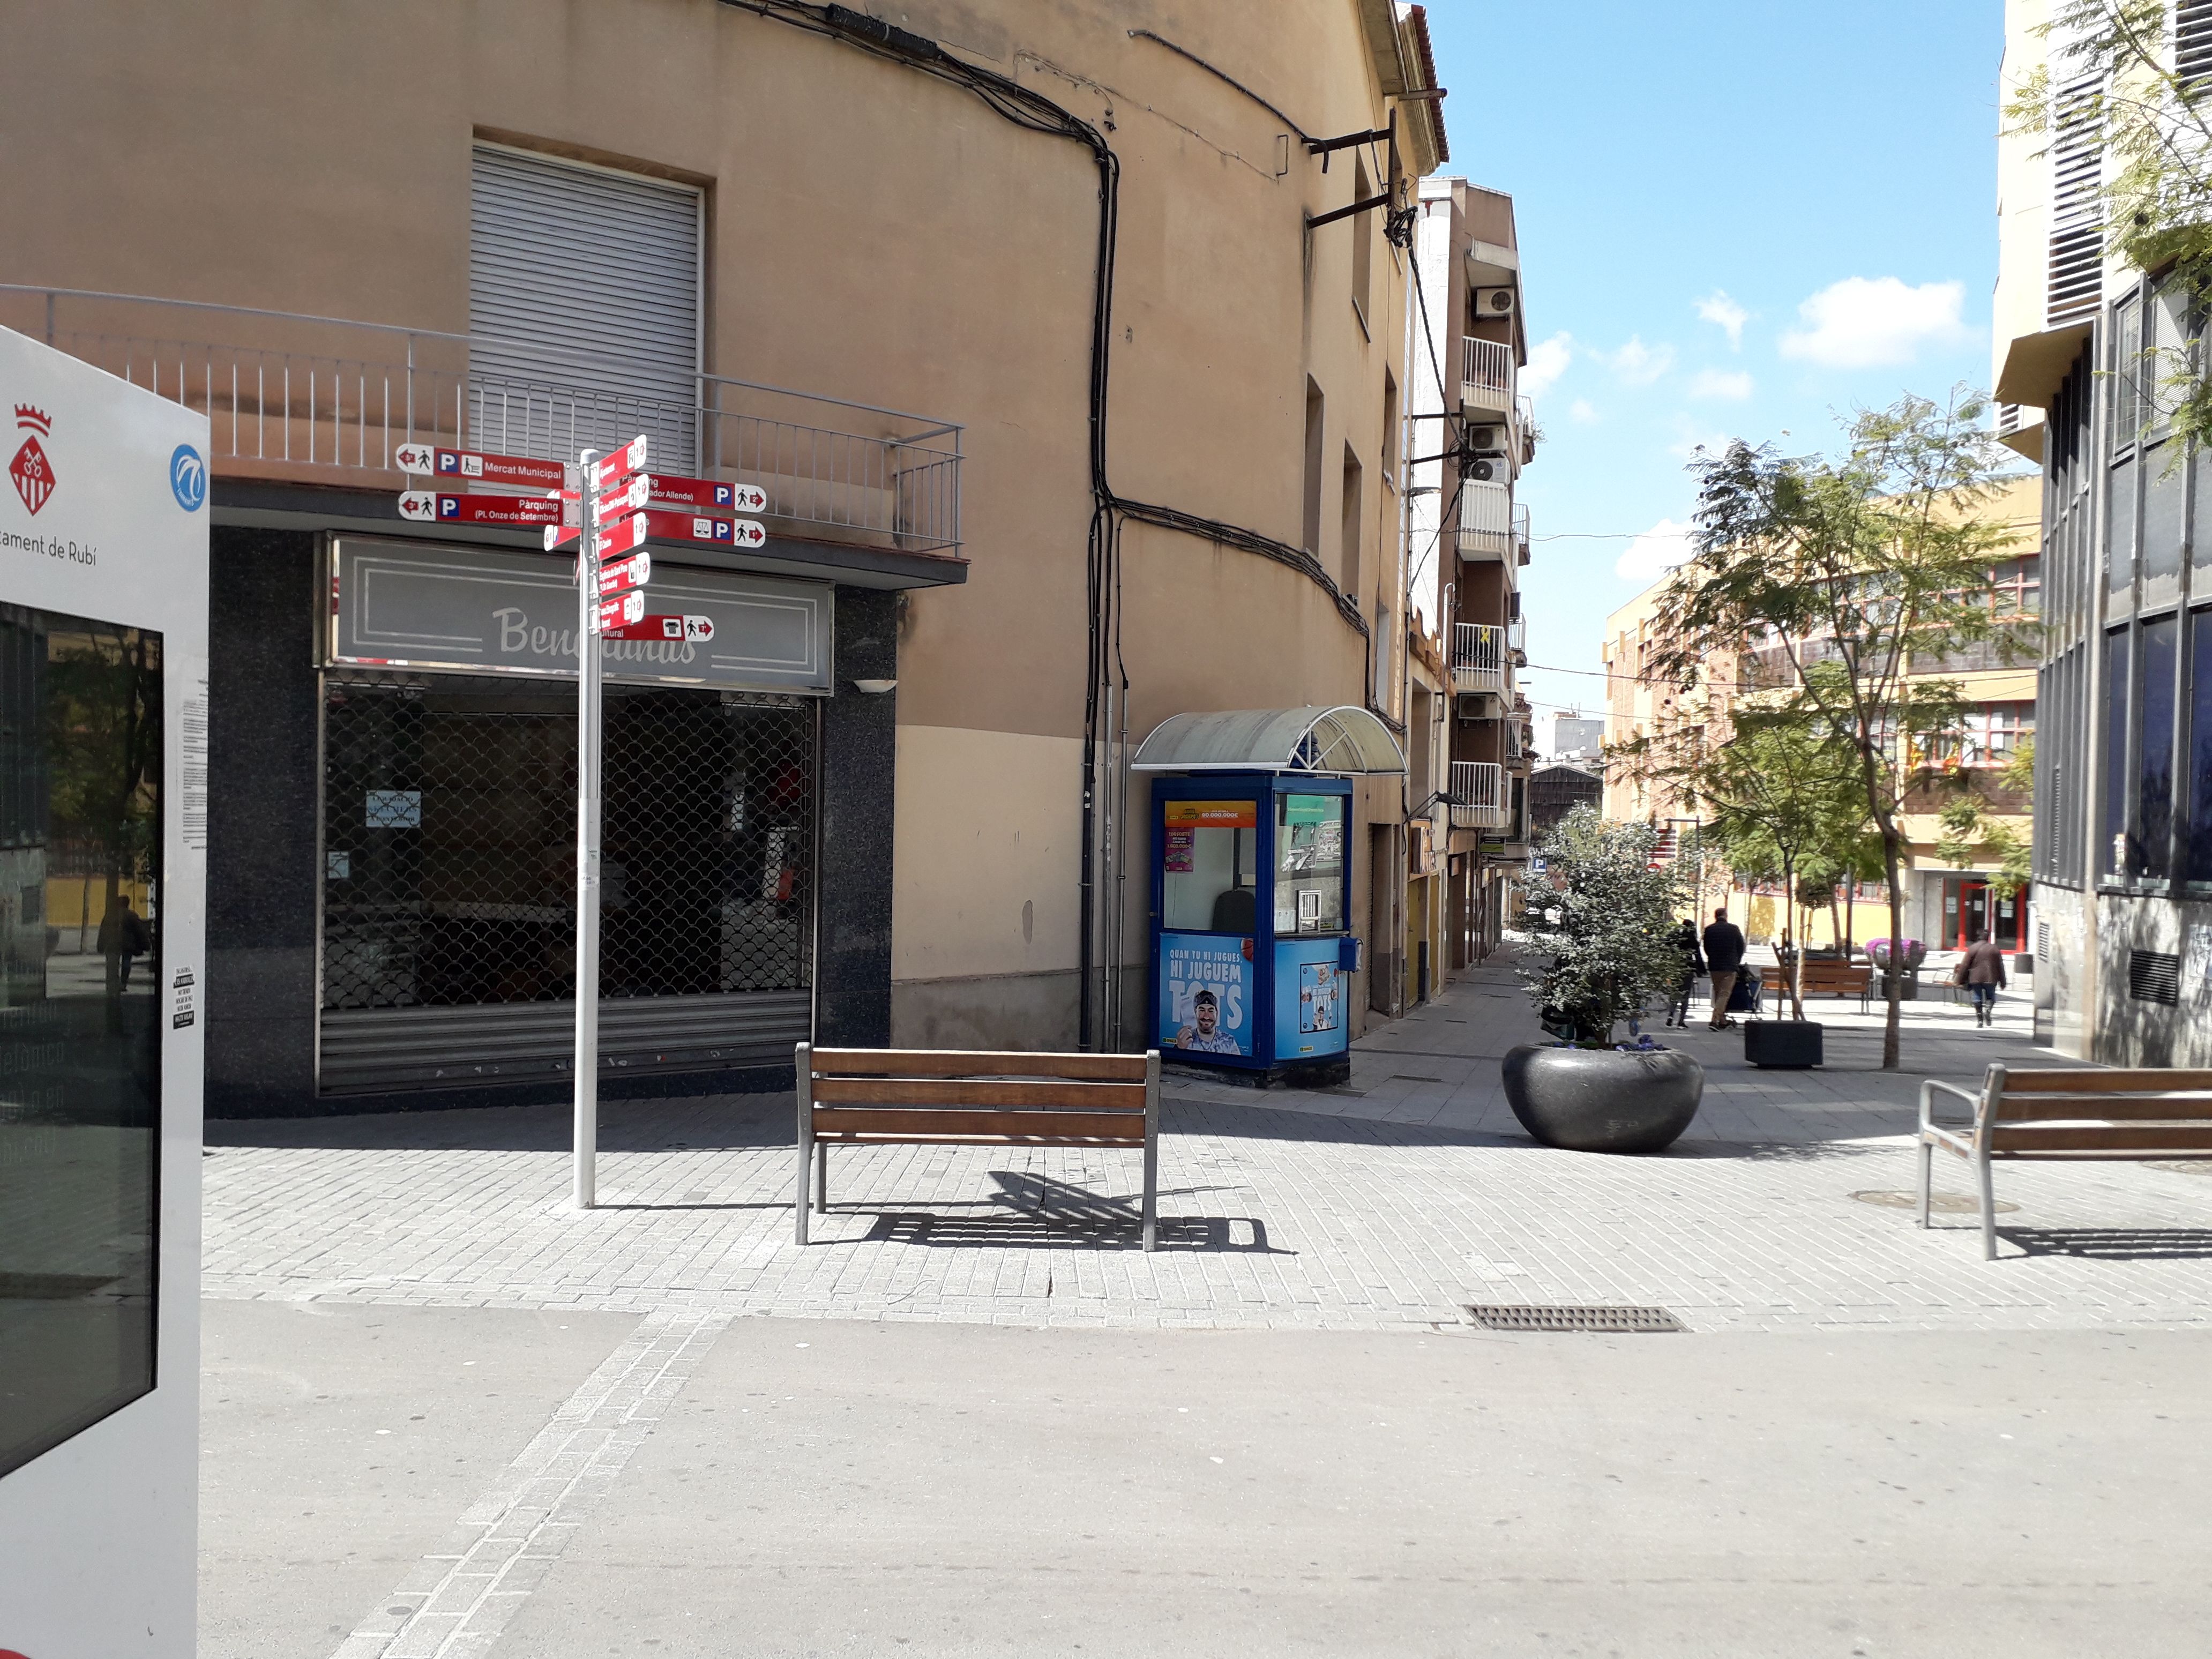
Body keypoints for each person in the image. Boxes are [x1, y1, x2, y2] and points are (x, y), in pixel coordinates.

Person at [1702, 906, 1746, 1032]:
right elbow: (1741, 947)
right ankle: (1714, 1020)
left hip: (1715, 966)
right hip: (1730, 966)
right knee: (1724, 994)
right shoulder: (1734, 929)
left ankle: (1723, 1021)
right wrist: (1736, 961)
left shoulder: (1709, 930)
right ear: (1726, 916)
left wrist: (1713, 957)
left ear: (1716, 916)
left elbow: (1707, 948)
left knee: (1718, 993)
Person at [98, 893, 153, 995]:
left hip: (113, 943)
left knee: (113, 963)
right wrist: (146, 944)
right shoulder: (132, 915)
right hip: (128, 944)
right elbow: (139, 931)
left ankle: (113, 982)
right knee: (126, 963)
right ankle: (123, 983)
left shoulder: (110, 915)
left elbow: (103, 930)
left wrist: (101, 945)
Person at [1960, 928, 2009, 1028]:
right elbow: (2000, 966)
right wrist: (2003, 982)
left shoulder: (1973, 948)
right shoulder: (1995, 949)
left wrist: (1960, 980)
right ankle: (1988, 1010)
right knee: (1990, 997)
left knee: (1977, 997)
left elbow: (1965, 965)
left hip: (1976, 978)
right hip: (1991, 978)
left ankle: (1980, 1020)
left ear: (1978, 937)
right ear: (1988, 938)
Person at [1173, 988, 1242, 1055]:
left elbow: (1239, 1065)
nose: (1206, 1016)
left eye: (1211, 1011)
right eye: (1202, 1010)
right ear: (1195, 1012)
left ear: (1217, 1013)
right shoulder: (1186, 1039)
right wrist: (1178, 1048)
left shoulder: (1229, 1041)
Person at [1665, 917, 1705, 1028]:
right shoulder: (1692, 939)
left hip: (1674, 967)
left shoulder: (1674, 937)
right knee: (1685, 995)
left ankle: (1671, 1015)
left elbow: (1664, 945)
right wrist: (1701, 970)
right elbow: (1698, 956)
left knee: (1674, 992)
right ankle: (1681, 1021)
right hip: (1688, 968)